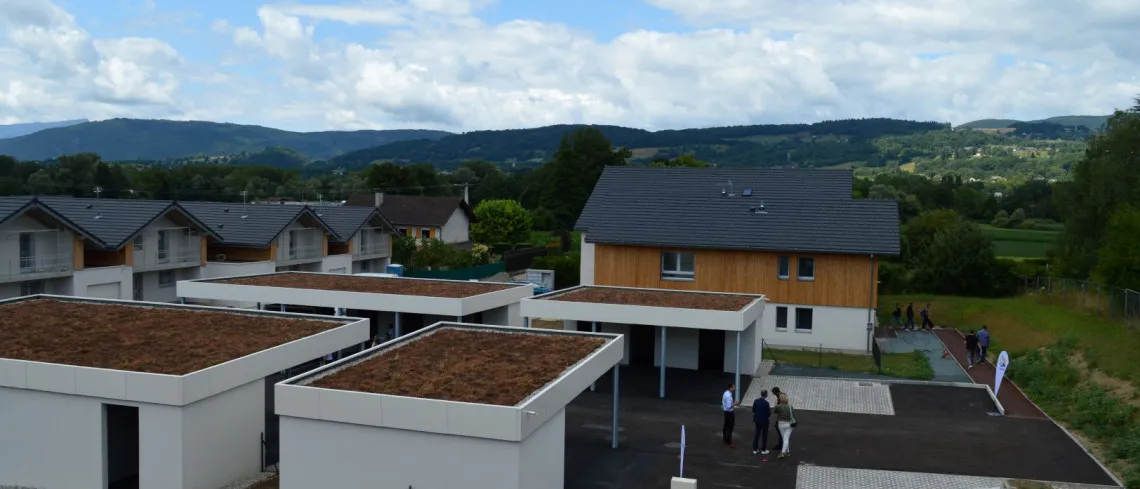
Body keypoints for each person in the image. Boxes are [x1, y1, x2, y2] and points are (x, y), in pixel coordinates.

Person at [773, 393, 796, 459]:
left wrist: (775, 403)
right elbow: (794, 414)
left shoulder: (778, 406)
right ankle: (787, 452)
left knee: (784, 438)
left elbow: (774, 411)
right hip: (789, 424)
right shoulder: (790, 406)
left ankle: (783, 453)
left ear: (780, 399)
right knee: (786, 438)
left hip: (781, 424)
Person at [751, 389, 771, 455]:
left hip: (757, 420)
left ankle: (755, 449)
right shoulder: (767, 403)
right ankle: (763, 449)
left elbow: (753, 410)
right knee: (764, 435)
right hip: (765, 421)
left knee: (757, 433)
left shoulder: (756, 401)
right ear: (766, 395)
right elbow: (768, 414)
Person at [770, 387, 783, 451]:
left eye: (773, 393)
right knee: (779, 429)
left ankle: (781, 444)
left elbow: (777, 409)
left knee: (779, 429)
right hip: (782, 416)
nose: (773, 394)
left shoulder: (779, 398)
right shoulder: (782, 396)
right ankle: (781, 444)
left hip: (781, 417)